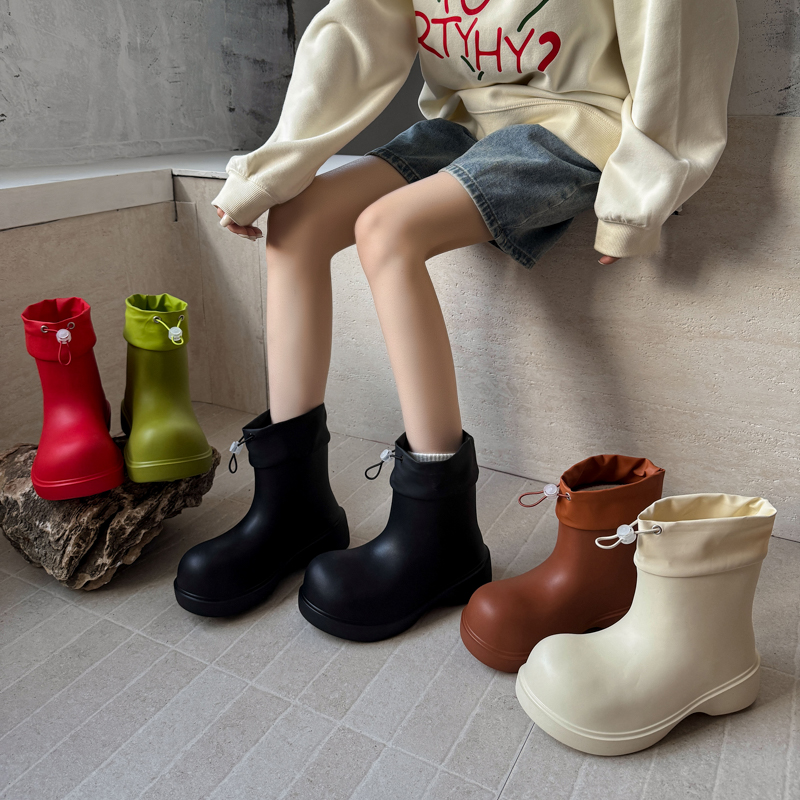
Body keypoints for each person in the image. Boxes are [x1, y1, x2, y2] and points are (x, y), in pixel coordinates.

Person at [173, 0, 739, 639]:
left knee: (387, 229)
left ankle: (439, 531)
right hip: (462, 123)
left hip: (579, 123)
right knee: (297, 219)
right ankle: (291, 506)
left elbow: (677, 37)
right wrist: (270, 172)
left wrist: (637, 197)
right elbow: (355, 34)